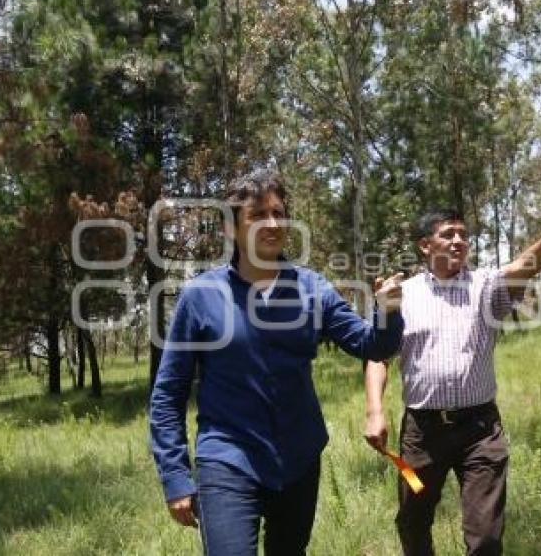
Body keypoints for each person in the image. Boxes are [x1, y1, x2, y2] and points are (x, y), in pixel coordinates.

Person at [149, 169, 405, 556]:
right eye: (258, 215)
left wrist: (386, 311)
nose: (272, 223)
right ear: (232, 229)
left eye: (279, 213)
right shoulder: (201, 296)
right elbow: (168, 394)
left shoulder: (311, 288)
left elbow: (369, 344)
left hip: (299, 458)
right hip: (227, 458)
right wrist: (175, 476)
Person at [363, 208, 541, 556]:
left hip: (480, 431)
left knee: (486, 538)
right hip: (422, 435)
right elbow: (377, 355)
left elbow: (523, 266)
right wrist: (375, 411)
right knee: (413, 520)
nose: (459, 240)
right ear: (426, 245)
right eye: (448, 234)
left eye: (463, 234)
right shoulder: (403, 295)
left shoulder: (486, 287)